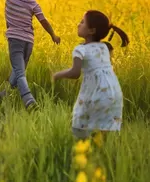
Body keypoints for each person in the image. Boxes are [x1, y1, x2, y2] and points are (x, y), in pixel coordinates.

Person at [53, 10, 129, 138]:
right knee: (105, 131)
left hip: (96, 93)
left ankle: (81, 151)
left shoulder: (80, 49)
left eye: (82, 22)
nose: (78, 24)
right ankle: (105, 153)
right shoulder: (104, 47)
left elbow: (75, 73)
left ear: (91, 31)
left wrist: (57, 75)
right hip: (113, 92)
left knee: (80, 128)